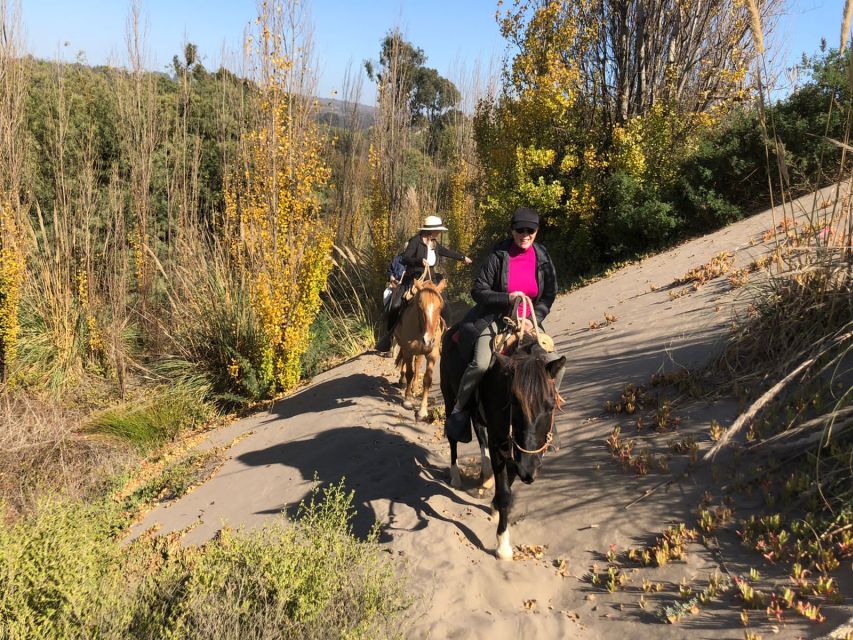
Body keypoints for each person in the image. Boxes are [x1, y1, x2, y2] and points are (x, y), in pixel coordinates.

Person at [445, 206, 565, 441]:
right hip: (497, 319)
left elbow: (550, 293)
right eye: (520, 229)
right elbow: (478, 290)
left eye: (530, 229)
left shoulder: (542, 257)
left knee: (556, 364)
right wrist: (506, 298)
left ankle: (546, 412)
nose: (525, 234)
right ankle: (460, 411)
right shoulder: (498, 256)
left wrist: (534, 319)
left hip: (530, 322)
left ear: (537, 231)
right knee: (480, 364)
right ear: (512, 231)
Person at [376, 215, 472, 352]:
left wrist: (462, 258)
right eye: (438, 230)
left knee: (445, 305)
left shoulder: (434, 243)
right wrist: (419, 261)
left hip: (431, 280)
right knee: (396, 305)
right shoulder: (415, 241)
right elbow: (405, 258)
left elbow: (446, 252)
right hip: (413, 280)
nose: (439, 233)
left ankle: (446, 335)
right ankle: (389, 337)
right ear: (430, 230)